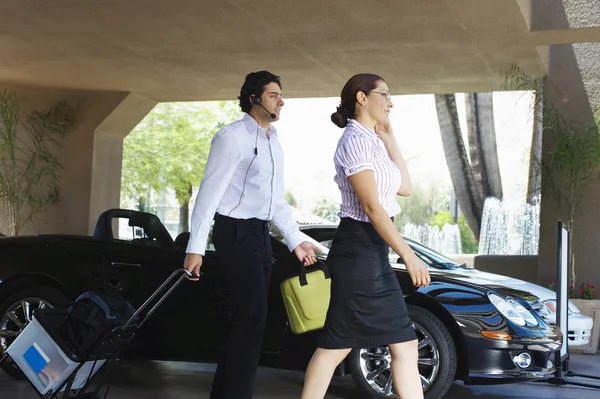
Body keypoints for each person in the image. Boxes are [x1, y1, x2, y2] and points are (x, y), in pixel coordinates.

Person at [183, 70, 320, 399]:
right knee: (252, 315)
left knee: (252, 318)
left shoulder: (274, 141)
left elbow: (274, 201)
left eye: (280, 95)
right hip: (233, 231)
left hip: (259, 234)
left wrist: (295, 239)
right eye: (274, 95)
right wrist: (195, 248)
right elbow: (209, 196)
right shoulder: (231, 138)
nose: (281, 101)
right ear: (253, 98)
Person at [300, 74, 431, 399]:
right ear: (361, 97)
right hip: (358, 252)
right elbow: (372, 208)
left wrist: (391, 140)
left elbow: (405, 188)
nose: (390, 102)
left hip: (371, 254)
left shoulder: (372, 141)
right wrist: (409, 255)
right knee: (337, 346)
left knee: (404, 344)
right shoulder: (354, 141)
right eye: (384, 94)